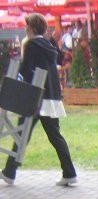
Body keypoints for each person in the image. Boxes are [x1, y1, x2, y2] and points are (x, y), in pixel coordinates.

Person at [1, 13, 78, 187]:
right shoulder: (48, 45)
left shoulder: (30, 45)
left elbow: (27, 70)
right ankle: (69, 172)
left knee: (22, 132)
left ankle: (10, 172)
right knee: (52, 135)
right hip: (51, 95)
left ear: (32, 28)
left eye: (27, 26)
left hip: (35, 97)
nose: (25, 28)